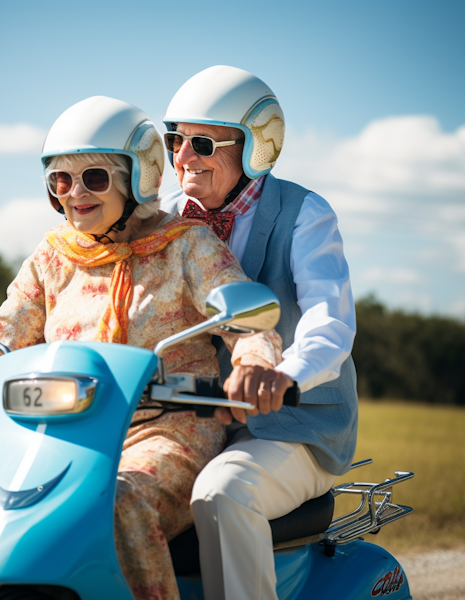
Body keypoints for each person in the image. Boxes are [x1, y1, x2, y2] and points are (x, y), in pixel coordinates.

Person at [0, 96, 283, 600]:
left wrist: (255, 362)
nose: (73, 193)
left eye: (93, 177)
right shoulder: (52, 256)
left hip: (163, 430)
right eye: (60, 180)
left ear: (140, 175)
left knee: (119, 503)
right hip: (59, 434)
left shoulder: (188, 245)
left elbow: (243, 319)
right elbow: (5, 327)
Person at [160, 65, 358, 600]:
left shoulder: (305, 214)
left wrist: (281, 375)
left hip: (294, 424)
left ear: (257, 146)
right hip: (188, 421)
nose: (181, 158)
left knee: (224, 494)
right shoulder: (165, 219)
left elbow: (330, 321)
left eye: (202, 143)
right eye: (174, 139)